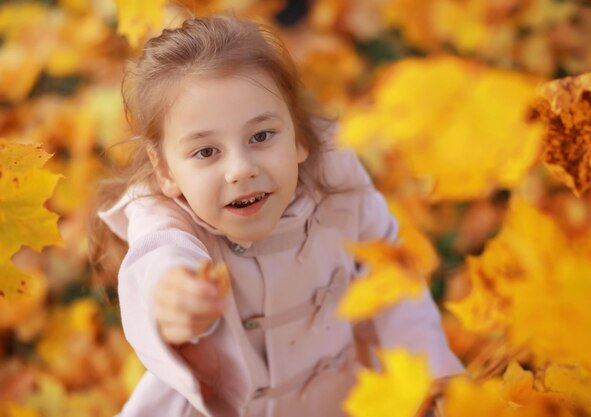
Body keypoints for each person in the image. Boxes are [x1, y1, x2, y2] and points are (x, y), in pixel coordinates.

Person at [92, 14, 465, 417]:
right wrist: (172, 295)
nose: (241, 168)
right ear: (165, 170)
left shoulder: (338, 186)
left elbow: (392, 283)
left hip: (339, 398)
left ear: (300, 137)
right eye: (206, 152)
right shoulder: (166, 221)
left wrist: (430, 376)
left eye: (261, 136)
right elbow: (160, 258)